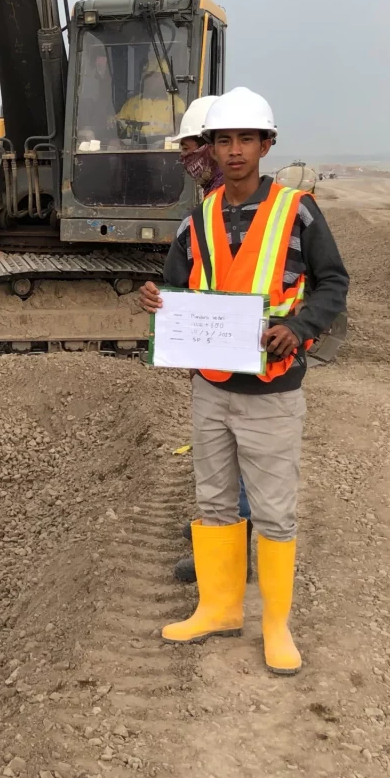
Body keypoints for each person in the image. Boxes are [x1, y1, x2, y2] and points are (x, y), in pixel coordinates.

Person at [139, 87, 349, 675]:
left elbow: (332, 283)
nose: (234, 151)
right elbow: (175, 288)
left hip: (273, 390)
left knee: (275, 513)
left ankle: (275, 626)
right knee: (213, 503)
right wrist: (154, 298)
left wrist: (299, 328)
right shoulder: (197, 218)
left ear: (265, 144)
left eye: (245, 140)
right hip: (211, 388)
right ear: (212, 147)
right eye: (223, 140)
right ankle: (218, 608)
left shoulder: (297, 211)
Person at [166, 94, 251, 585]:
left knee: (232, 454)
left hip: (240, 353)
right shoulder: (210, 204)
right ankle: (222, 532)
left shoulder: (230, 208)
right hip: (221, 349)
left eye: (194, 146)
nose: (187, 158)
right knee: (223, 455)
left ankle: (229, 549)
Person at [116, 54, 185, 141]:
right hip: (134, 147)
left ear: (166, 79)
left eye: (155, 76)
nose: (150, 80)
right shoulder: (132, 103)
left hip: (165, 148)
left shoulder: (176, 103)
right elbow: (118, 125)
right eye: (147, 76)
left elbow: (180, 127)